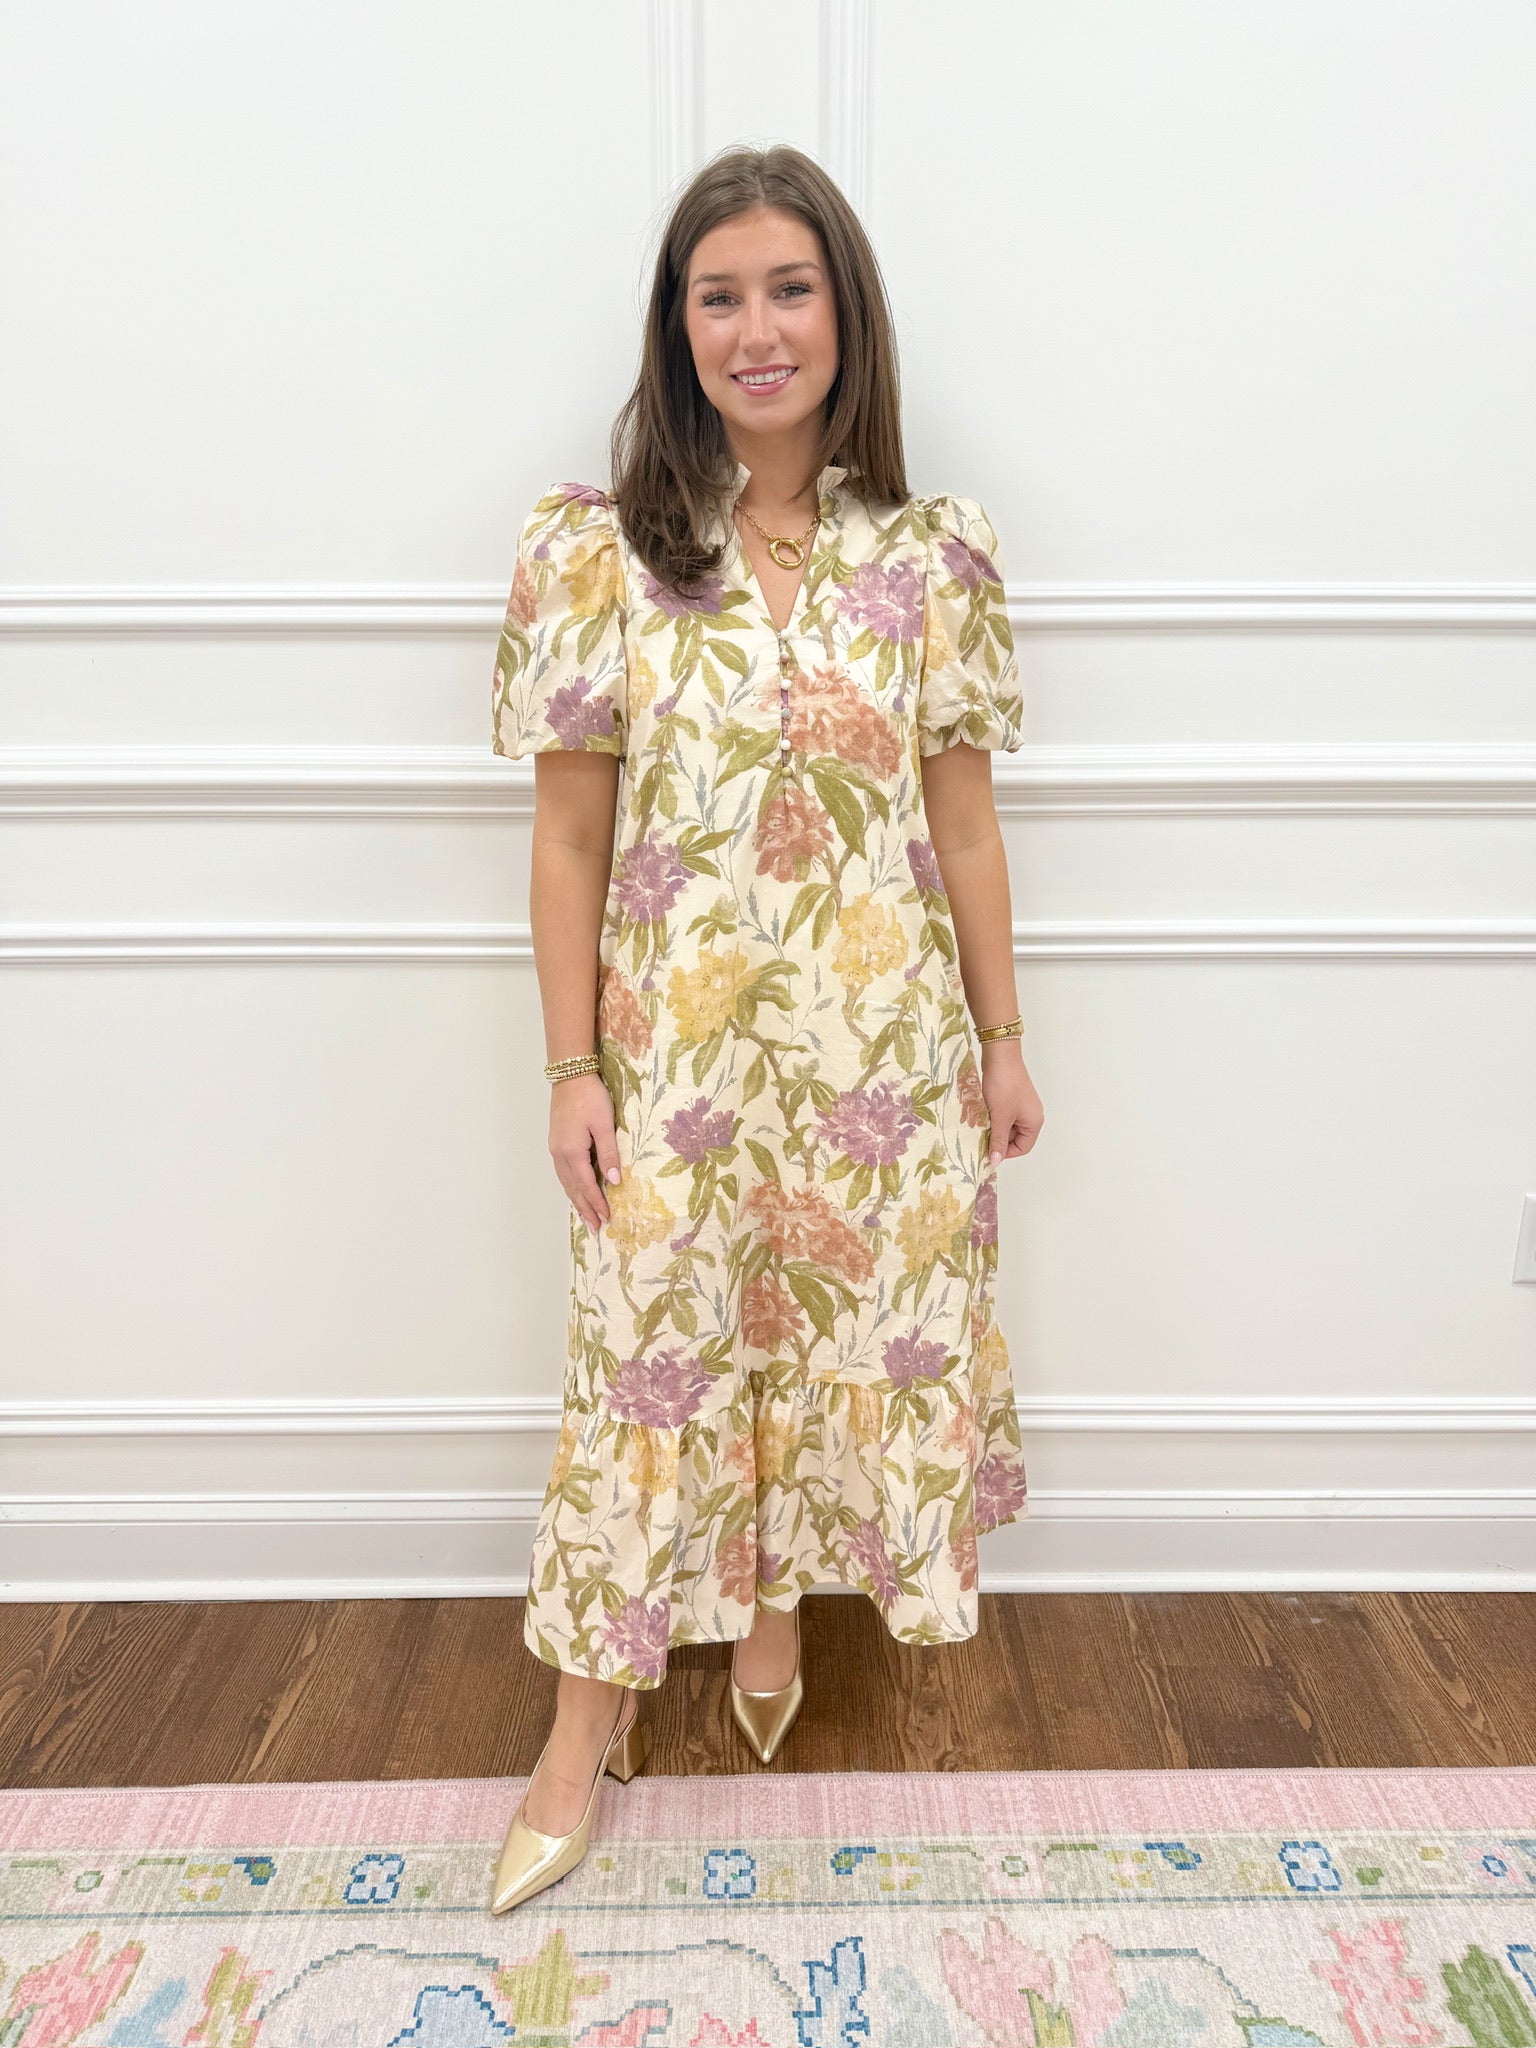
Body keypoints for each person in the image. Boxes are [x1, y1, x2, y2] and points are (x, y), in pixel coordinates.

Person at [487, 143, 1042, 1915]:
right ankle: (578, 1737)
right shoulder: (599, 553)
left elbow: (963, 824)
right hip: (677, 1062)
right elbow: (569, 839)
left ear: (843, 312)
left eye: (788, 289)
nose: (756, 329)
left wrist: (1002, 1037)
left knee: (832, 1342)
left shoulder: (932, 557)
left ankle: (779, 1609)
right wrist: (572, 1068)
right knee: (650, 1366)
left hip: (886, 1062)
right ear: (678, 327)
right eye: (716, 296)